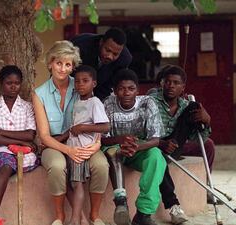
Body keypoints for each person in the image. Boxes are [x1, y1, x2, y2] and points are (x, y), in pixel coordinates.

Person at [32, 40, 109, 225]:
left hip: (84, 143)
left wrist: (97, 144)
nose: (63, 69)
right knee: (58, 166)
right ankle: (60, 216)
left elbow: (96, 116)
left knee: (100, 165)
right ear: (50, 63)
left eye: (68, 64)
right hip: (54, 144)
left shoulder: (82, 84)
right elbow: (44, 136)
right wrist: (68, 151)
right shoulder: (39, 93)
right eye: (59, 63)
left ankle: (94, 215)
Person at [148, 65, 215, 224]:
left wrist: (207, 121)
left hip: (176, 144)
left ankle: (206, 187)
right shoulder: (151, 99)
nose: (171, 85)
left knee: (209, 144)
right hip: (156, 143)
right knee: (160, 158)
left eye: (176, 83)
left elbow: (198, 137)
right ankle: (173, 206)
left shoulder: (186, 105)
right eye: (168, 82)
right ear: (162, 84)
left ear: (183, 87)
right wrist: (162, 143)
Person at [102, 69, 166, 225]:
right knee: (112, 152)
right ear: (115, 91)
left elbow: (155, 139)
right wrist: (121, 141)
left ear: (138, 90)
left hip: (140, 148)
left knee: (156, 157)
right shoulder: (107, 103)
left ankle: (144, 213)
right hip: (115, 147)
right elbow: (102, 139)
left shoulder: (147, 103)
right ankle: (121, 202)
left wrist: (136, 147)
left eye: (131, 89)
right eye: (122, 89)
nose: (126, 93)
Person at [0, 65, 39, 225]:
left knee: (19, 161)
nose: (13, 87)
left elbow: (30, 134)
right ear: (1, 83)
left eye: (17, 83)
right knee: (6, 165)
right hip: (0, 151)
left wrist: (1, 132)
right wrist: (19, 141)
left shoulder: (28, 107)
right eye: (9, 83)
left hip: (26, 153)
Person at [66, 65, 110, 225]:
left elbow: (105, 126)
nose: (80, 84)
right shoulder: (77, 102)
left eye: (85, 81)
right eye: (77, 81)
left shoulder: (95, 102)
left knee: (78, 185)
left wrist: (83, 128)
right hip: (73, 147)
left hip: (82, 150)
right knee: (73, 183)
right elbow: (73, 128)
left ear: (94, 84)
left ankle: (75, 220)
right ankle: (80, 220)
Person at [71, 27, 132, 101]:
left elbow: (107, 87)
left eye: (115, 54)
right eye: (107, 50)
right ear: (101, 42)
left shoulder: (124, 59)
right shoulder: (80, 46)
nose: (110, 56)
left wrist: (96, 104)